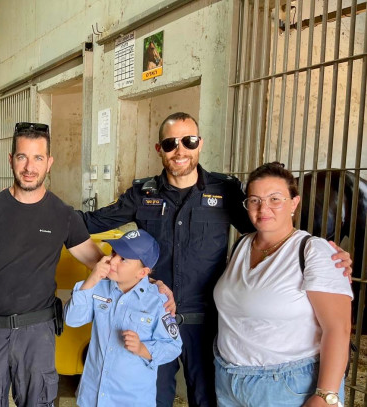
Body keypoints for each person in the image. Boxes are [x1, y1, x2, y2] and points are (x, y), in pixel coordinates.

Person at [79, 112, 352, 407]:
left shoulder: (225, 191)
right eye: (170, 143)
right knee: (151, 399)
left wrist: (323, 255)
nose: (180, 150)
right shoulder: (141, 194)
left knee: (207, 399)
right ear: (160, 149)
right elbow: (84, 225)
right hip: (153, 318)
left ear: (200, 144)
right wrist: (106, 267)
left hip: (209, 324)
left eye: (189, 140)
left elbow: (268, 227)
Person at [0, 122, 106, 406]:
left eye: (38, 158)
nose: (29, 166)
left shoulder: (63, 215)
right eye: (22, 156)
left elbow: (98, 261)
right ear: (11, 159)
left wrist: (150, 284)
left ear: (49, 163)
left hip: (37, 334)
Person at [214, 162, 352, 407]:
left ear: (294, 203)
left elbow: (338, 328)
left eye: (275, 198)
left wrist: (325, 396)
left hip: (288, 386)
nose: (263, 208)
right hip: (230, 382)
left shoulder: (314, 252)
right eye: (254, 200)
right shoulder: (241, 245)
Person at [65, 229, 182, 407]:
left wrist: (143, 349)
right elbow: (73, 319)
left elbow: (173, 346)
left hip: (131, 399)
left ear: (143, 272)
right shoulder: (99, 288)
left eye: (123, 259)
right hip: (93, 396)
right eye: (113, 254)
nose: (112, 261)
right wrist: (93, 278)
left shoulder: (158, 301)